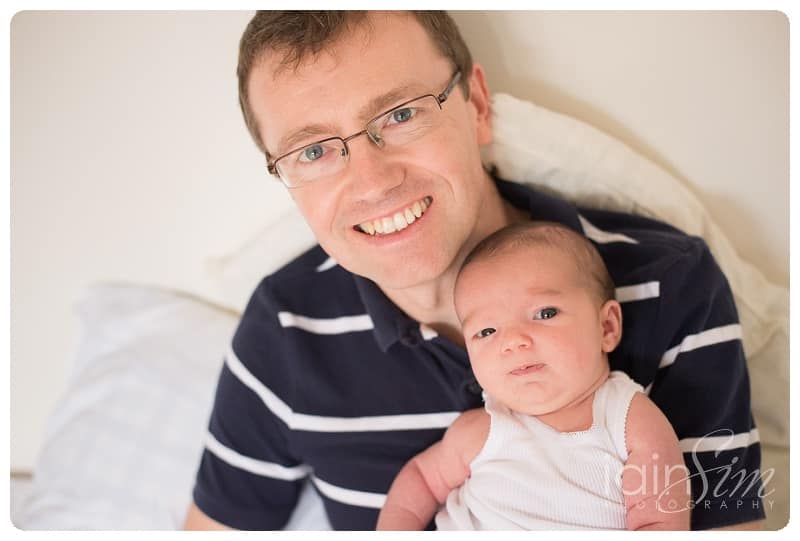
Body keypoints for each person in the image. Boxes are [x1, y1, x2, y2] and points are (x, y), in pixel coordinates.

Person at [184, 11, 764, 531]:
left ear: (478, 105)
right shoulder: (285, 329)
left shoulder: (667, 285)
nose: (373, 182)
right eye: (312, 152)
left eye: (401, 113)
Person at [376, 222, 691, 530]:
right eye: (486, 331)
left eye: (544, 313)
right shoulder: (479, 433)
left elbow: (660, 523)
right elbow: (419, 481)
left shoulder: (629, 423)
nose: (512, 341)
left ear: (606, 327)